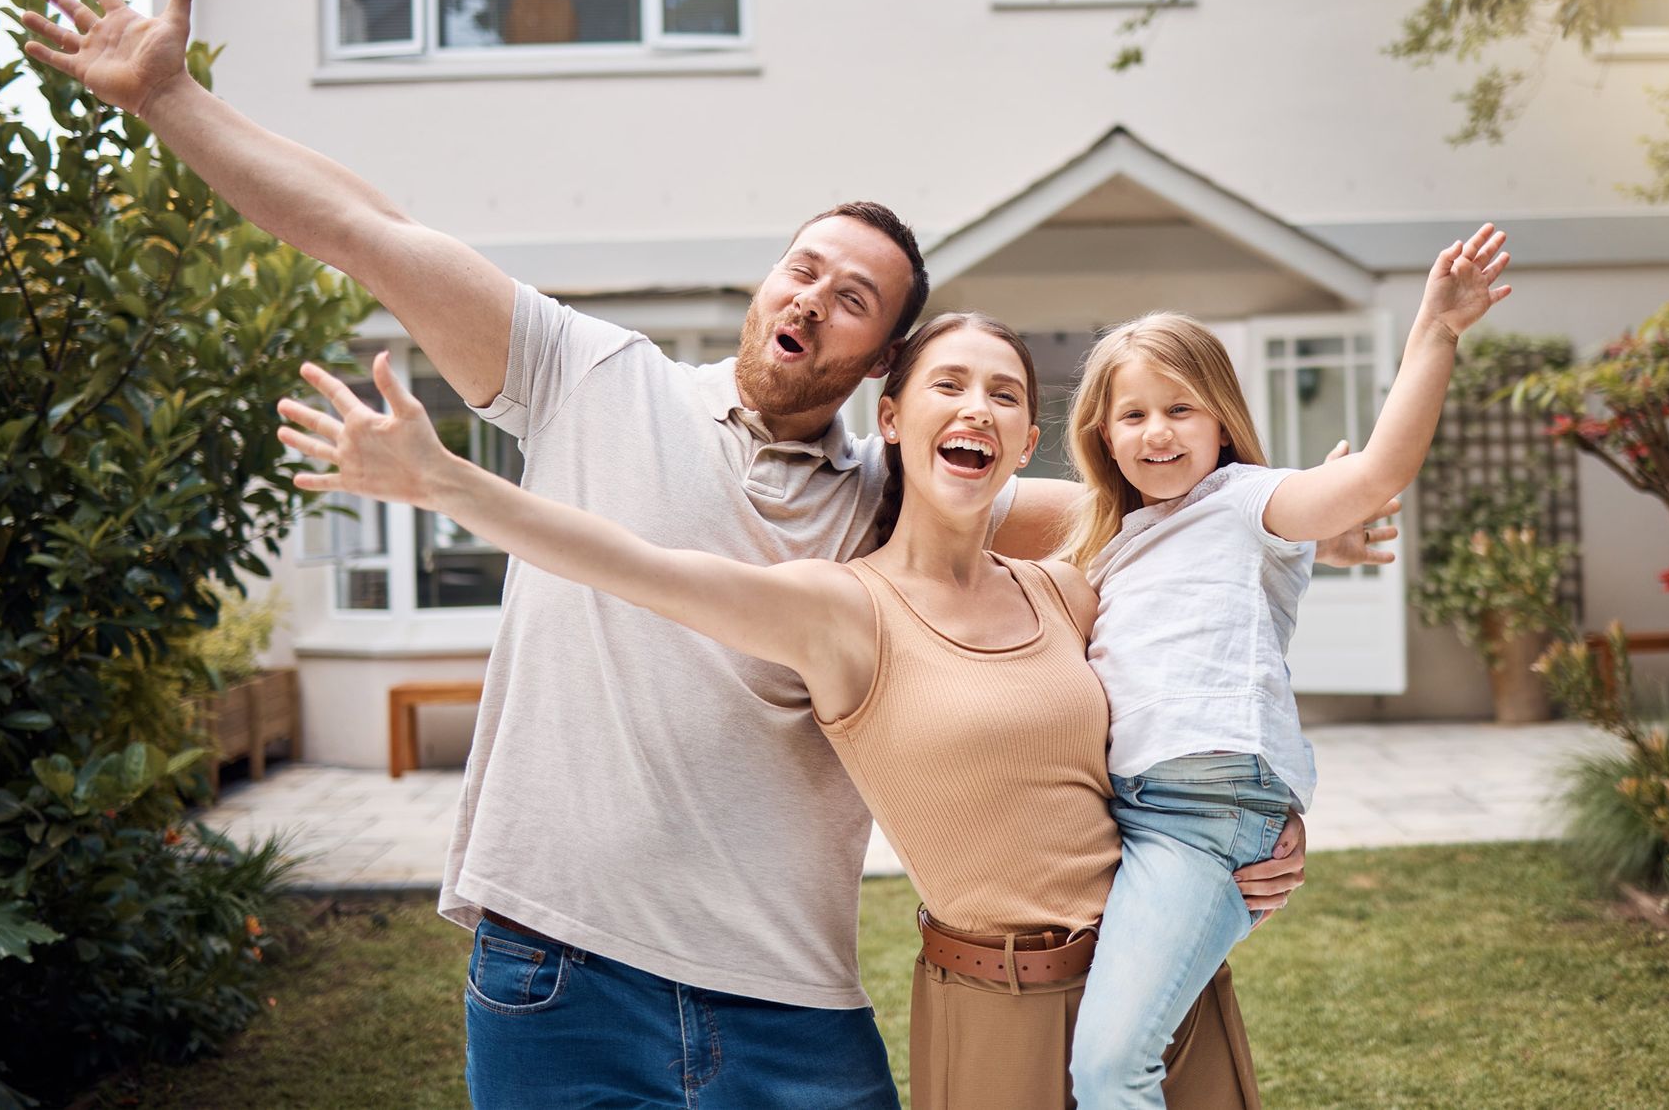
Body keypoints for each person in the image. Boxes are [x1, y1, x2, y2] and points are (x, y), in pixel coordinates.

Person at [20, 0, 1395, 1106]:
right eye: (805, 265)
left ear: (879, 371)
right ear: (767, 280)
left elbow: (1152, 524)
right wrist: (172, 98)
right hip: (559, 969)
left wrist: (1300, 544)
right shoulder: (587, 375)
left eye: (856, 298)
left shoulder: (892, 499)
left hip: (792, 1000)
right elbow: (377, 233)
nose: (816, 294)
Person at [279, 311, 1305, 1107]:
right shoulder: (840, 609)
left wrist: (1265, 824)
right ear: (891, 420)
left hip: (1146, 975)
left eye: (1004, 393)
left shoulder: (1069, 591)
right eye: (949, 384)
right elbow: (636, 566)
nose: (977, 407)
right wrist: (449, 483)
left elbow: (1202, 678)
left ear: (1028, 437)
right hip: (990, 1000)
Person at [1061, 227, 1511, 1109]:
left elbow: (1378, 472)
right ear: (1102, 435)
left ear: (1223, 419)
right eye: (1134, 413)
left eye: (1181, 407)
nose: (1158, 431)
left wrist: (1435, 331)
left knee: (1111, 1069)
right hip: (1138, 814)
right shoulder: (1109, 542)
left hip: (1210, 811)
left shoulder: (1245, 501)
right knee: (1110, 1049)